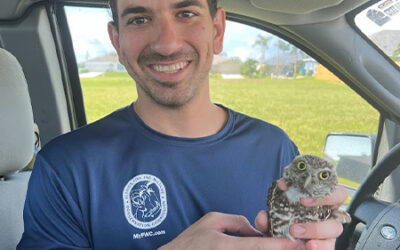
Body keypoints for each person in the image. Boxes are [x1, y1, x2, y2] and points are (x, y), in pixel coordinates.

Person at [18, 0, 348, 249]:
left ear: (217, 30)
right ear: (117, 42)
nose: (167, 44)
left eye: (186, 13)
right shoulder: (66, 166)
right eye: (140, 19)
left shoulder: (274, 147)